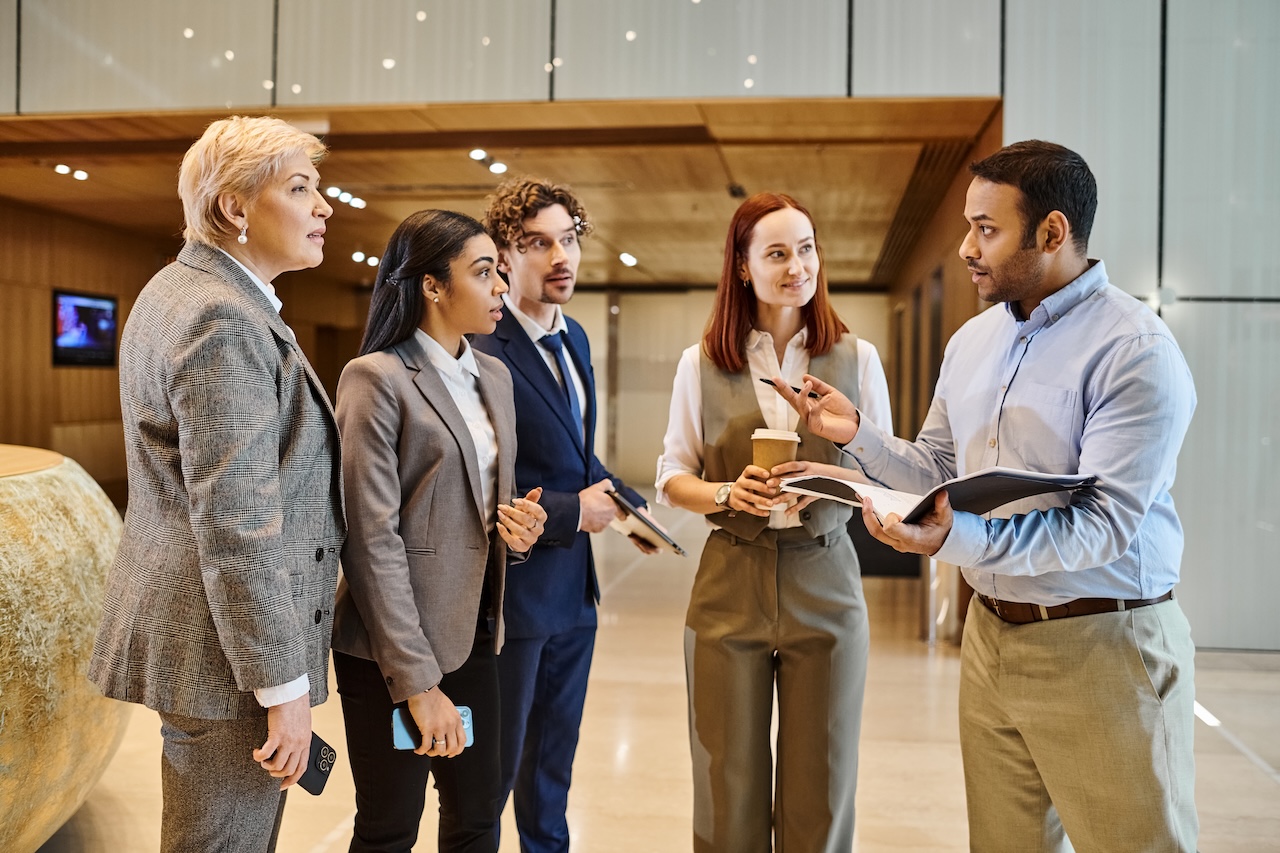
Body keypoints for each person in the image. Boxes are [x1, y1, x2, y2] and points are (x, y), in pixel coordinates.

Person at [774, 140, 1199, 852]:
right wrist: (856, 434)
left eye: (987, 229)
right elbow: (936, 463)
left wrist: (950, 540)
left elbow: (1102, 527)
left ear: (1053, 233)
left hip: (1102, 642)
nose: (968, 247)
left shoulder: (1136, 351)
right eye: (968, 225)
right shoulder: (973, 341)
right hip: (991, 640)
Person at [88, 115, 345, 853]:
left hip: (210, 642)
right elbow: (238, 520)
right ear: (235, 207)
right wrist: (281, 686)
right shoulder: (220, 318)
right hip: (227, 658)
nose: (323, 206)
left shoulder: (182, 291)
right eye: (300, 188)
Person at [655, 191, 892, 852]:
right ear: (741, 266)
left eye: (807, 249)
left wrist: (833, 478)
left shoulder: (856, 357)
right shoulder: (701, 361)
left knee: (824, 781)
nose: (798, 266)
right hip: (731, 574)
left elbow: (888, 475)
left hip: (827, 575)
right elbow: (672, 478)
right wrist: (730, 492)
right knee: (726, 784)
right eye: (778, 253)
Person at [330, 209, 547, 853]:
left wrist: (519, 529)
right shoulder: (376, 379)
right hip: (392, 645)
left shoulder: (495, 377)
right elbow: (369, 539)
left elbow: (477, 504)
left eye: (499, 274)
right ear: (432, 285)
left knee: (479, 817)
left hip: (478, 631)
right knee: (390, 825)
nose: (501, 288)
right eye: (484, 274)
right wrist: (418, 685)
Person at [471, 176, 654, 853]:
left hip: (575, 597)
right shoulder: (482, 350)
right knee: (489, 776)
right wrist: (576, 510)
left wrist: (626, 505)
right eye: (538, 243)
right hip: (513, 599)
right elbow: (483, 483)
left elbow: (575, 453)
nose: (560, 257)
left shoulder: (573, 337)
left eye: (568, 239)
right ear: (504, 256)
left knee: (552, 769)